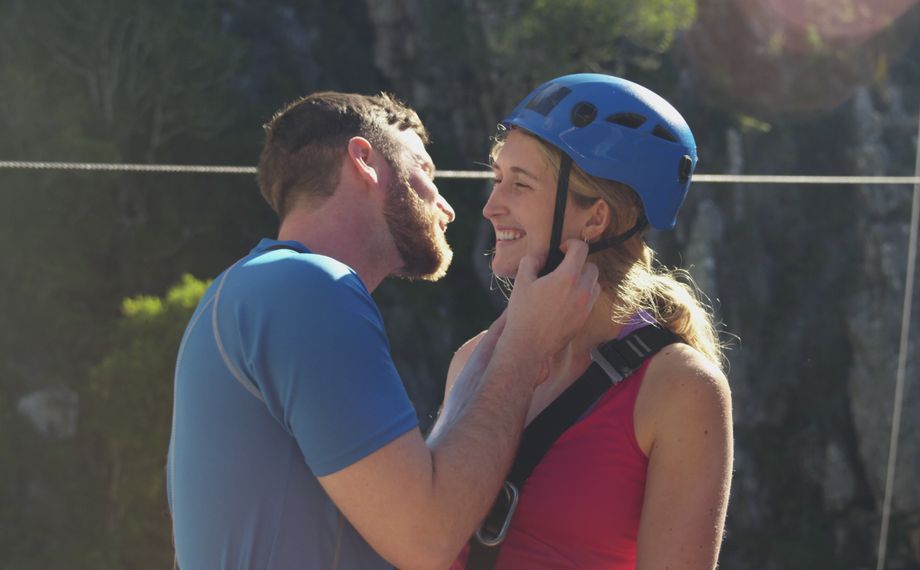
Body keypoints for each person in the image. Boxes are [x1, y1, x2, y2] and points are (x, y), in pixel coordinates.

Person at [167, 91, 601, 570]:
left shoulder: (247, 292)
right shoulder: (308, 288)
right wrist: (526, 345)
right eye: (426, 172)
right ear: (363, 160)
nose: (448, 208)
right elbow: (426, 538)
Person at [446, 74, 734, 569]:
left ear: (595, 220)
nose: (492, 207)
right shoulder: (473, 360)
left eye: (520, 184)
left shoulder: (680, 390)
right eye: (497, 180)